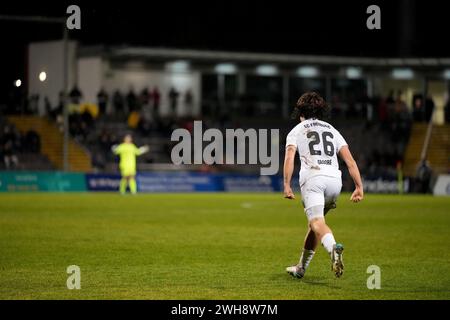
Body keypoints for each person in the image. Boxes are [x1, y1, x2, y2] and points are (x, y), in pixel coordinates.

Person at [283, 92, 364, 279]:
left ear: (300, 112)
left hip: (314, 178)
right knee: (315, 225)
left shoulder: (297, 130)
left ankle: (333, 249)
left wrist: (287, 185)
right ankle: (301, 267)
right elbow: (350, 161)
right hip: (335, 181)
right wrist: (359, 187)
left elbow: (289, 158)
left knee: (317, 223)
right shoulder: (332, 130)